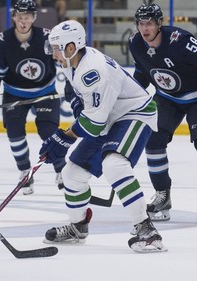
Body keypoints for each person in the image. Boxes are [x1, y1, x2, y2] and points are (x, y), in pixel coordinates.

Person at [39, 19, 166, 253]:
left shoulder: (92, 70)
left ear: (70, 47)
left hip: (134, 113)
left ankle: (146, 230)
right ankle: (78, 227)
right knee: (71, 174)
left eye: (56, 48)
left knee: (114, 165)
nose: (52, 53)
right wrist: (78, 104)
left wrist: (63, 138)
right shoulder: (72, 61)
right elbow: (86, 104)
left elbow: (94, 123)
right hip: (109, 118)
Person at [128, 3, 197, 221]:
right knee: (153, 140)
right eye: (141, 24)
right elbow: (142, 74)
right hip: (167, 96)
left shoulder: (179, 41)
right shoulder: (136, 43)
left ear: (159, 24)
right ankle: (163, 196)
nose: (145, 29)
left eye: (150, 23)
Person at [0, 0, 65, 195]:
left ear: (34, 18)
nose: (23, 21)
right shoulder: (3, 40)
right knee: (14, 133)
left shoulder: (47, 37)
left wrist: (73, 84)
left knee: (48, 131)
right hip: (14, 93)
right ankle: (25, 172)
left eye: (27, 17)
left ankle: (61, 170)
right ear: (13, 17)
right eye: (20, 17)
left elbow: (64, 62)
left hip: (45, 92)